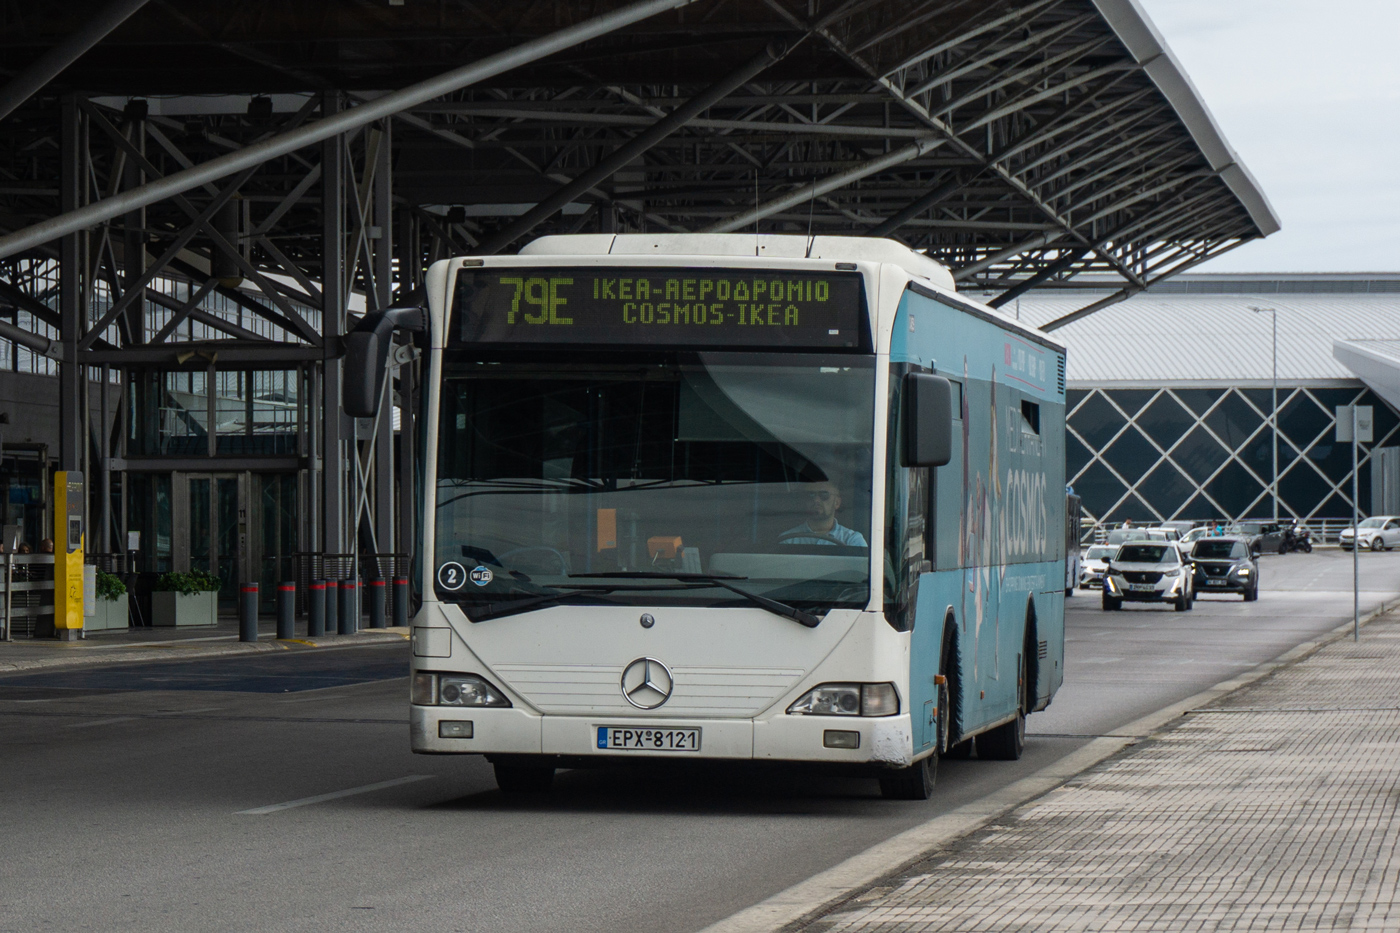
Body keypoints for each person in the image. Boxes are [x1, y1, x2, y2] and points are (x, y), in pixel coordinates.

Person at [780, 481, 867, 547]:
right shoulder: (788, 540)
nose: (816, 500)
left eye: (824, 495)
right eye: (811, 495)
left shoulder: (852, 540)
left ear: (837, 502)